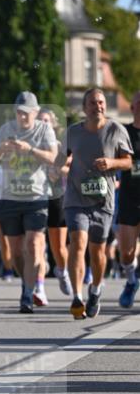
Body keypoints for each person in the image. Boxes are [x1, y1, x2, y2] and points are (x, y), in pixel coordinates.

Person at [63, 87, 133, 319]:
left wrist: (111, 162)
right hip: (75, 198)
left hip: (103, 201)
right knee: (77, 242)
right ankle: (77, 297)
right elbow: (61, 160)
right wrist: (59, 168)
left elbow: (128, 163)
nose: (98, 106)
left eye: (101, 102)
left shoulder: (116, 129)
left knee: (97, 251)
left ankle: (96, 288)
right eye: (93, 103)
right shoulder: (72, 133)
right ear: (85, 108)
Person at [0, 91, 58, 313]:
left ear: (36, 113)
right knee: (16, 252)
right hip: (10, 198)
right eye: (19, 112)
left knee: (34, 245)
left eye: (27, 113)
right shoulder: (5, 130)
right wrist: (0, 150)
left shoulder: (44, 129)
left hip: (36, 197)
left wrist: (31, 150)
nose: (23, 117)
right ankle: (27, 281)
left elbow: (54, 157)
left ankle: (28, 294)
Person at [37, 107, 72, 302]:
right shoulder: (30, 146)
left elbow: (73, 168)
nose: (43, 124)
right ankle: (39, 288)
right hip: (35, 197)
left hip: (57, 196)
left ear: (53, 124)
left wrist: (58, 171)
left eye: (47, 121)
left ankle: (62, 270)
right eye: (40, 121)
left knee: (58, 247)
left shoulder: (60, 146)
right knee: (38, 244)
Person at [117, 90, 140, 308]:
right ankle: (132, 280)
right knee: (126, 252)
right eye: (138, 103)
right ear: (132, 108)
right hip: (129, 197)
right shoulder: (123, 132)